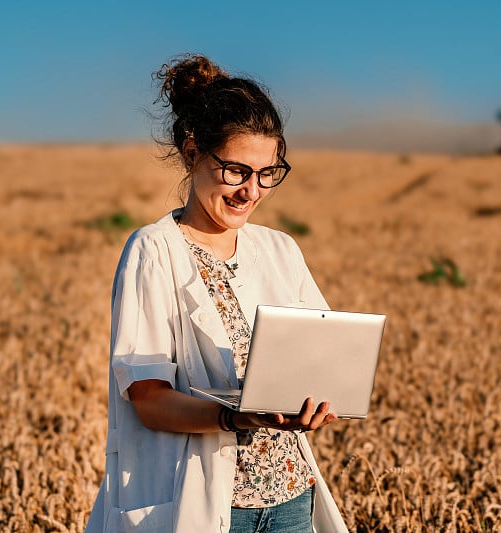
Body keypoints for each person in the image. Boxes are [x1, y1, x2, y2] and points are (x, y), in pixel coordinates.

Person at [86, 54, 348, 533]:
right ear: (191, 154)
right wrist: (235, 417)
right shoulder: (153, 251)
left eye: (267, 173)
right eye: (236, 171)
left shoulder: (280, 250)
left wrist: (321, 403)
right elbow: (147, 400)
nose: (252, 190)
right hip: (206, 503)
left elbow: (322, 358)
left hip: (292, 495)